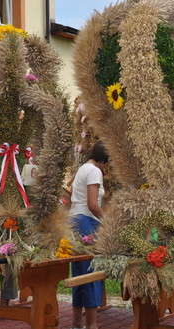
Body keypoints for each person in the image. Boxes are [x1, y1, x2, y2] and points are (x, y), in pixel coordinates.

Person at [69, 141, 109, 329]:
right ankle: (92, 325)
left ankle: (77, 323)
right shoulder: (94, 171)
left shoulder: (82, 168)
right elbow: (93, 204)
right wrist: (109, 221)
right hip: (87, 222)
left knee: (79, 275)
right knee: (91, 275)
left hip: (75, 220)